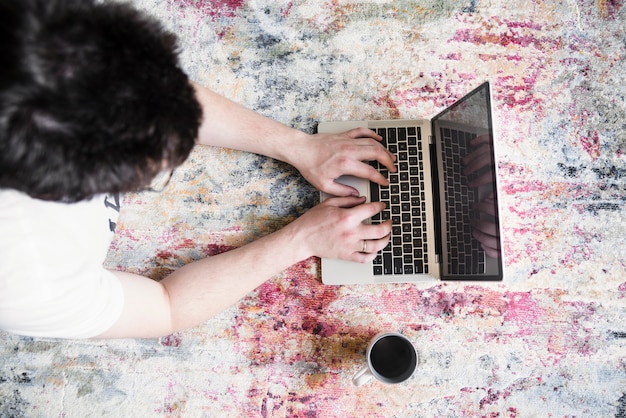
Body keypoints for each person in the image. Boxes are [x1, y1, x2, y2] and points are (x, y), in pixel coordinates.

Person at [0, 0, 395, 339]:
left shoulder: (33, 27)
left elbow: (153, 94)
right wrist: (301, 240)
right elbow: (165, 308)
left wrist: (297, 145)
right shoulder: (30, 280)